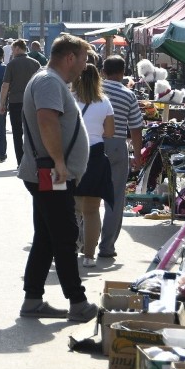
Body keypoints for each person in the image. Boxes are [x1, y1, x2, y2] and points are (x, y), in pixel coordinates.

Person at [17, 34, 96, 323]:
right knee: (64, 235)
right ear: (70, 57)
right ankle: (77, 302)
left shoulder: (49, 80)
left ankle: (33, 298)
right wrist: (61, 162)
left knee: (47, 237)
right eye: (84, 59)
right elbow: (47, 119)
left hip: (49, 171)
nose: (86, 66)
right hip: (51, 171)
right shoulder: (49, 81)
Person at [99, 55, 145, 259]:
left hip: (91, 145)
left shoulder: (93, 90)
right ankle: (107, 247)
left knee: (85, 195)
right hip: (117, 146)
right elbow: (136, 128)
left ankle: (83, 241)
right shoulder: (128, 94)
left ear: (104, 71)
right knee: (115, 198)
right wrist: (138, 155)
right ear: (122, 72)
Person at [71, 63, 114, 268]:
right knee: (92, 210)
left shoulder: (69, 100)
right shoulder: (104, 102)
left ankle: (69, 248)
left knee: (70, 207)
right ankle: (89, 256)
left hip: (72, 155)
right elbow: (110, 133)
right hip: (96, 155)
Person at [0, 39, 41, 166]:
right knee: (32, 132)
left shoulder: (12, 64)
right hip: (32, 103)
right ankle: (33, 160)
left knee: (17, 133)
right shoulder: (36, 64)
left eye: (12, 49)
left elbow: (5, 85)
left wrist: (2, 104)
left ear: (17, 48)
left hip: (15, 102)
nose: (12, 52)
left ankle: (21, 161)